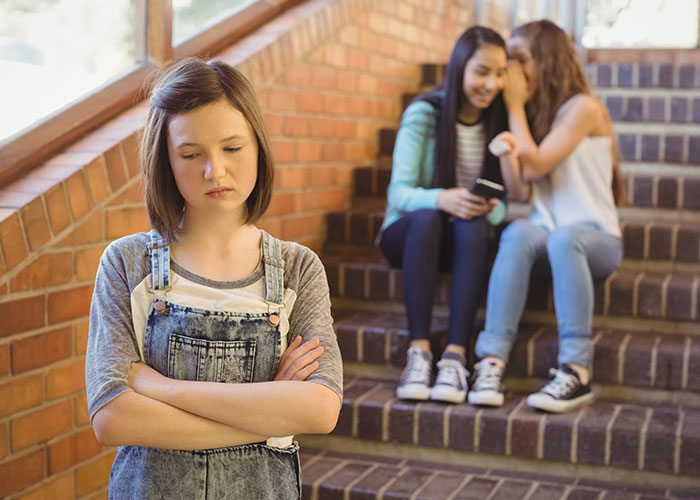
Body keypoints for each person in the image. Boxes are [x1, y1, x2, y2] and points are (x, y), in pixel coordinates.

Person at [85, 58, 343, 499]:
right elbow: (113, 418)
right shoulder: (128, 264)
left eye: (233, 148)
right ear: (165, 160)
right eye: (190, 154)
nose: (214, 171)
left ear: (258, 145)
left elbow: (320, 410)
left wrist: (164, 388)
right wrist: (269, 413)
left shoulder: (299, 269)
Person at [468, 20, 624, 413]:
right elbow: (521, 191)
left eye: (521, 59)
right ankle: (490, 361)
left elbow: (535, 167)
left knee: (564, 237)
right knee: (519, 232)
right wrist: (507, 152)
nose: (513, 72)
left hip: (595, 239)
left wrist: (516, 108)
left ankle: (577, 370)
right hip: (550, 236)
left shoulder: (584, 108)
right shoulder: (537, 116)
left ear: (549, 59)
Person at [376, 26, 510, 404]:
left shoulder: (498, 121)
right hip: (411, 234)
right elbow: (398, 192)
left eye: (500, 74)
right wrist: (443, 199)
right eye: (482, 72)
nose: (491, 84)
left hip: (463, 238)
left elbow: (505, 203)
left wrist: (490, 209)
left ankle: (455, 356)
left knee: (475, 224)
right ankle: (418, 351)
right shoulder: (425, 113)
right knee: (429, 218)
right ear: (459, 67)